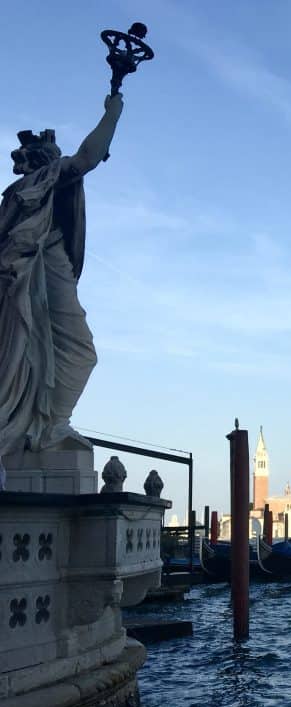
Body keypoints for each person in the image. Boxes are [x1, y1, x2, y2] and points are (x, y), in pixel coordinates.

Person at [0, 93, 124, 464]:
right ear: (47, 161)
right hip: (34, 279)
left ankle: (43, 424)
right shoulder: (42, 182)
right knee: (78, 352)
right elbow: (88, 156)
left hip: (31, 279)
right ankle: (50, 426)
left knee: (24, 358)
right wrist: (113, 115)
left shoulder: (16, 195)